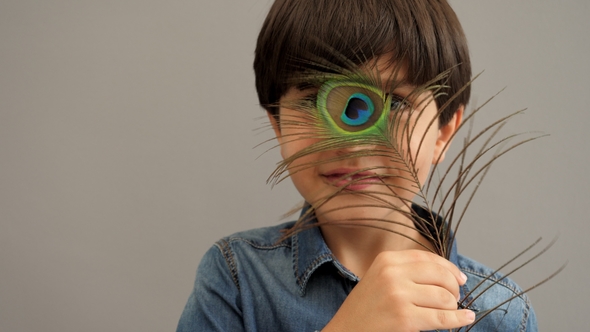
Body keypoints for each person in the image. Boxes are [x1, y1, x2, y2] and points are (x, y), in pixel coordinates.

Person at [177, 0, 537, 331]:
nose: (351, 141)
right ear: (278, 125)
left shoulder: (502, 313)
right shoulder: (236, 279)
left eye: (394, 102)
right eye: (314, 98)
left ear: (443, 132)